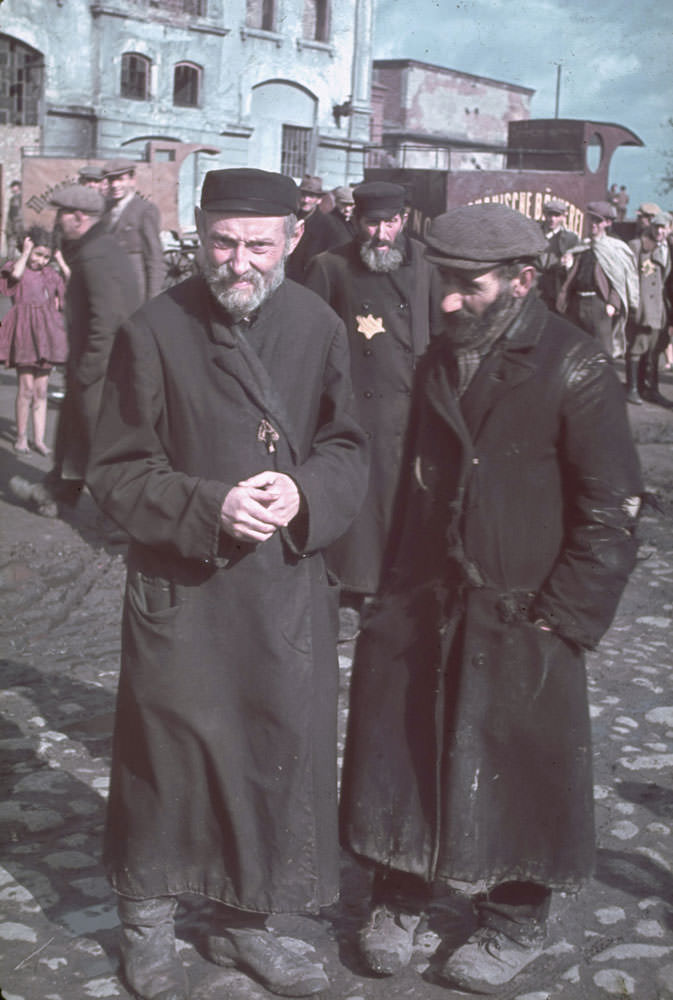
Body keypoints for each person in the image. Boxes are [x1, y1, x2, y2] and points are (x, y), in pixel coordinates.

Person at [340, 203, 643, 995]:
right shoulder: (441, 357)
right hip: (423, 595)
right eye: (441, 280)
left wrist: (563, 619)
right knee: (403, 741)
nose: (446, 299)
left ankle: (515, 918)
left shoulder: (575, 366)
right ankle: (399, 890)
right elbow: (411, 484)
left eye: (466, 285)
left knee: (523, 761)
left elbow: (612, 510)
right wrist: (387, 592)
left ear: (522, 280)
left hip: (525, 608)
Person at [86, 168, 369, 1000]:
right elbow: (116, 469)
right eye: (221, 243)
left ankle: (247, 922)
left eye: (257, 246)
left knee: (271, 752)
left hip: (282, 588)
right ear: (199, 234)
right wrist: (212, 506)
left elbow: (349, 447)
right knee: (164, 759)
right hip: (183, 588)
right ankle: (146, 922)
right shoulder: (154, 329)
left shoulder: (318, 325)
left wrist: (304, 491)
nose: (237, 263)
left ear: (293, 239)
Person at [305, 180, 441, 609]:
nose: (382, 235)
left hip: (414, 407)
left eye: (391, 223)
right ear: (355, 220)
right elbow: (310, 345)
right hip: (359, 411)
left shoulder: (427, 263)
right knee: (365, 509)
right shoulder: (330, 267)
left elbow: (441, 334)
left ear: (404, 220)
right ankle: (355, 588)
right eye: (372, 224)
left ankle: (402, 586)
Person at [20, 184, 141, 516]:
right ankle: (56, 495)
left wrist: (88, 370)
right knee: (75, 434)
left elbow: (108, 320)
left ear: (79, 217)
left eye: (62, 214)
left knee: (98, 442)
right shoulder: (97, 247)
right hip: (95, 363)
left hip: (102, 366)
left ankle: (124, 521)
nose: (57, 221)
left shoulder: (96, 256)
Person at [0, 226, 69, 455]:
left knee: (41, 390)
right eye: (38, 254)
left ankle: (39, 439)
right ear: (28, 248)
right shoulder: (16, 267)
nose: (41, 260)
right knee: (26, 388)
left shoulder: (50, 274)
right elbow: (14, 277)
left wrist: (60, 260)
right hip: (24, 333)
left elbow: (69, 284)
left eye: (46, 257)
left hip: (47, 334)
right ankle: (21, 436)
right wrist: (25, 252)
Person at [557, 200, 639, 358]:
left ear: (607, 223)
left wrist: (613, 303)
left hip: (599, 304)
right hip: (578, 302)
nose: (593, 224)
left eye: (598, 221)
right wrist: (567, 264)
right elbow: (573, 275)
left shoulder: (613, 249)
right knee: (577, 348)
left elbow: (618, 280)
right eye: (591, 219)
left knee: (602, 349)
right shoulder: (583, 247)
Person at [626, 212, 672, 406]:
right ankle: (632, 388)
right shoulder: (638, 246)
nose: (660, 231)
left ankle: (651, 389)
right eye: (656, 227)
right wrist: (635, 305)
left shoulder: (669, 247)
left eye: (664, 227)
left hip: (661, 307)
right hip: (644, 306)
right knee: (638, 346)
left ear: (670, 229)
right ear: (651, 227)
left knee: (655, 348)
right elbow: (630, 277)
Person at [103, 158, 165, 301]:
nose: (115, 185)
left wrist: (152, 300)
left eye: (120, 179)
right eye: (111, 180)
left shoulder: (145, 210)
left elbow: (155, 258)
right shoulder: (104, 209)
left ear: (132, 180)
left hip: (134, 290)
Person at [285, 174, 329, 282]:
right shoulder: (290, 217)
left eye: (311, 196)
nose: (306, 200)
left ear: (319, 200)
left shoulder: (326, 224)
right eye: (303, 195)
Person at [537, 197, 578, 312]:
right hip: (533, 287)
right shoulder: (534, 233)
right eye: (549, 215)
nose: (552, 219)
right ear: (544, 214)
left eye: (557, 215)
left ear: (564, 217)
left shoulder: (570, 239)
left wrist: (567, 263)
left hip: (555, 289)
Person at [5, 180, 24, 258]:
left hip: (17, 224)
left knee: (13, 243)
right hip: (15, 224)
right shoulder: (14, 198)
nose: (12, 189)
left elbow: (15, 212)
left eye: (13, 186)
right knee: (13, 244)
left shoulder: (17, 198)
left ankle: (10, 262)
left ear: (18, 187)